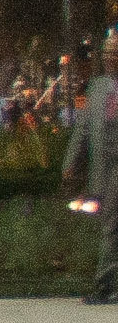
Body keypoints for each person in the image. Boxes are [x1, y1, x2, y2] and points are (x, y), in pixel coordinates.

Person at [62, 32, 118, 304]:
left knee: (111, 226)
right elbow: (83, 128)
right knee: (110, 226)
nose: (110, 57)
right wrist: (70, 162)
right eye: (107, 53)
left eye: (115, 53)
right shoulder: (97, 87)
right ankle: (107, 286)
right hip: (105, 168)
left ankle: (105, 287)